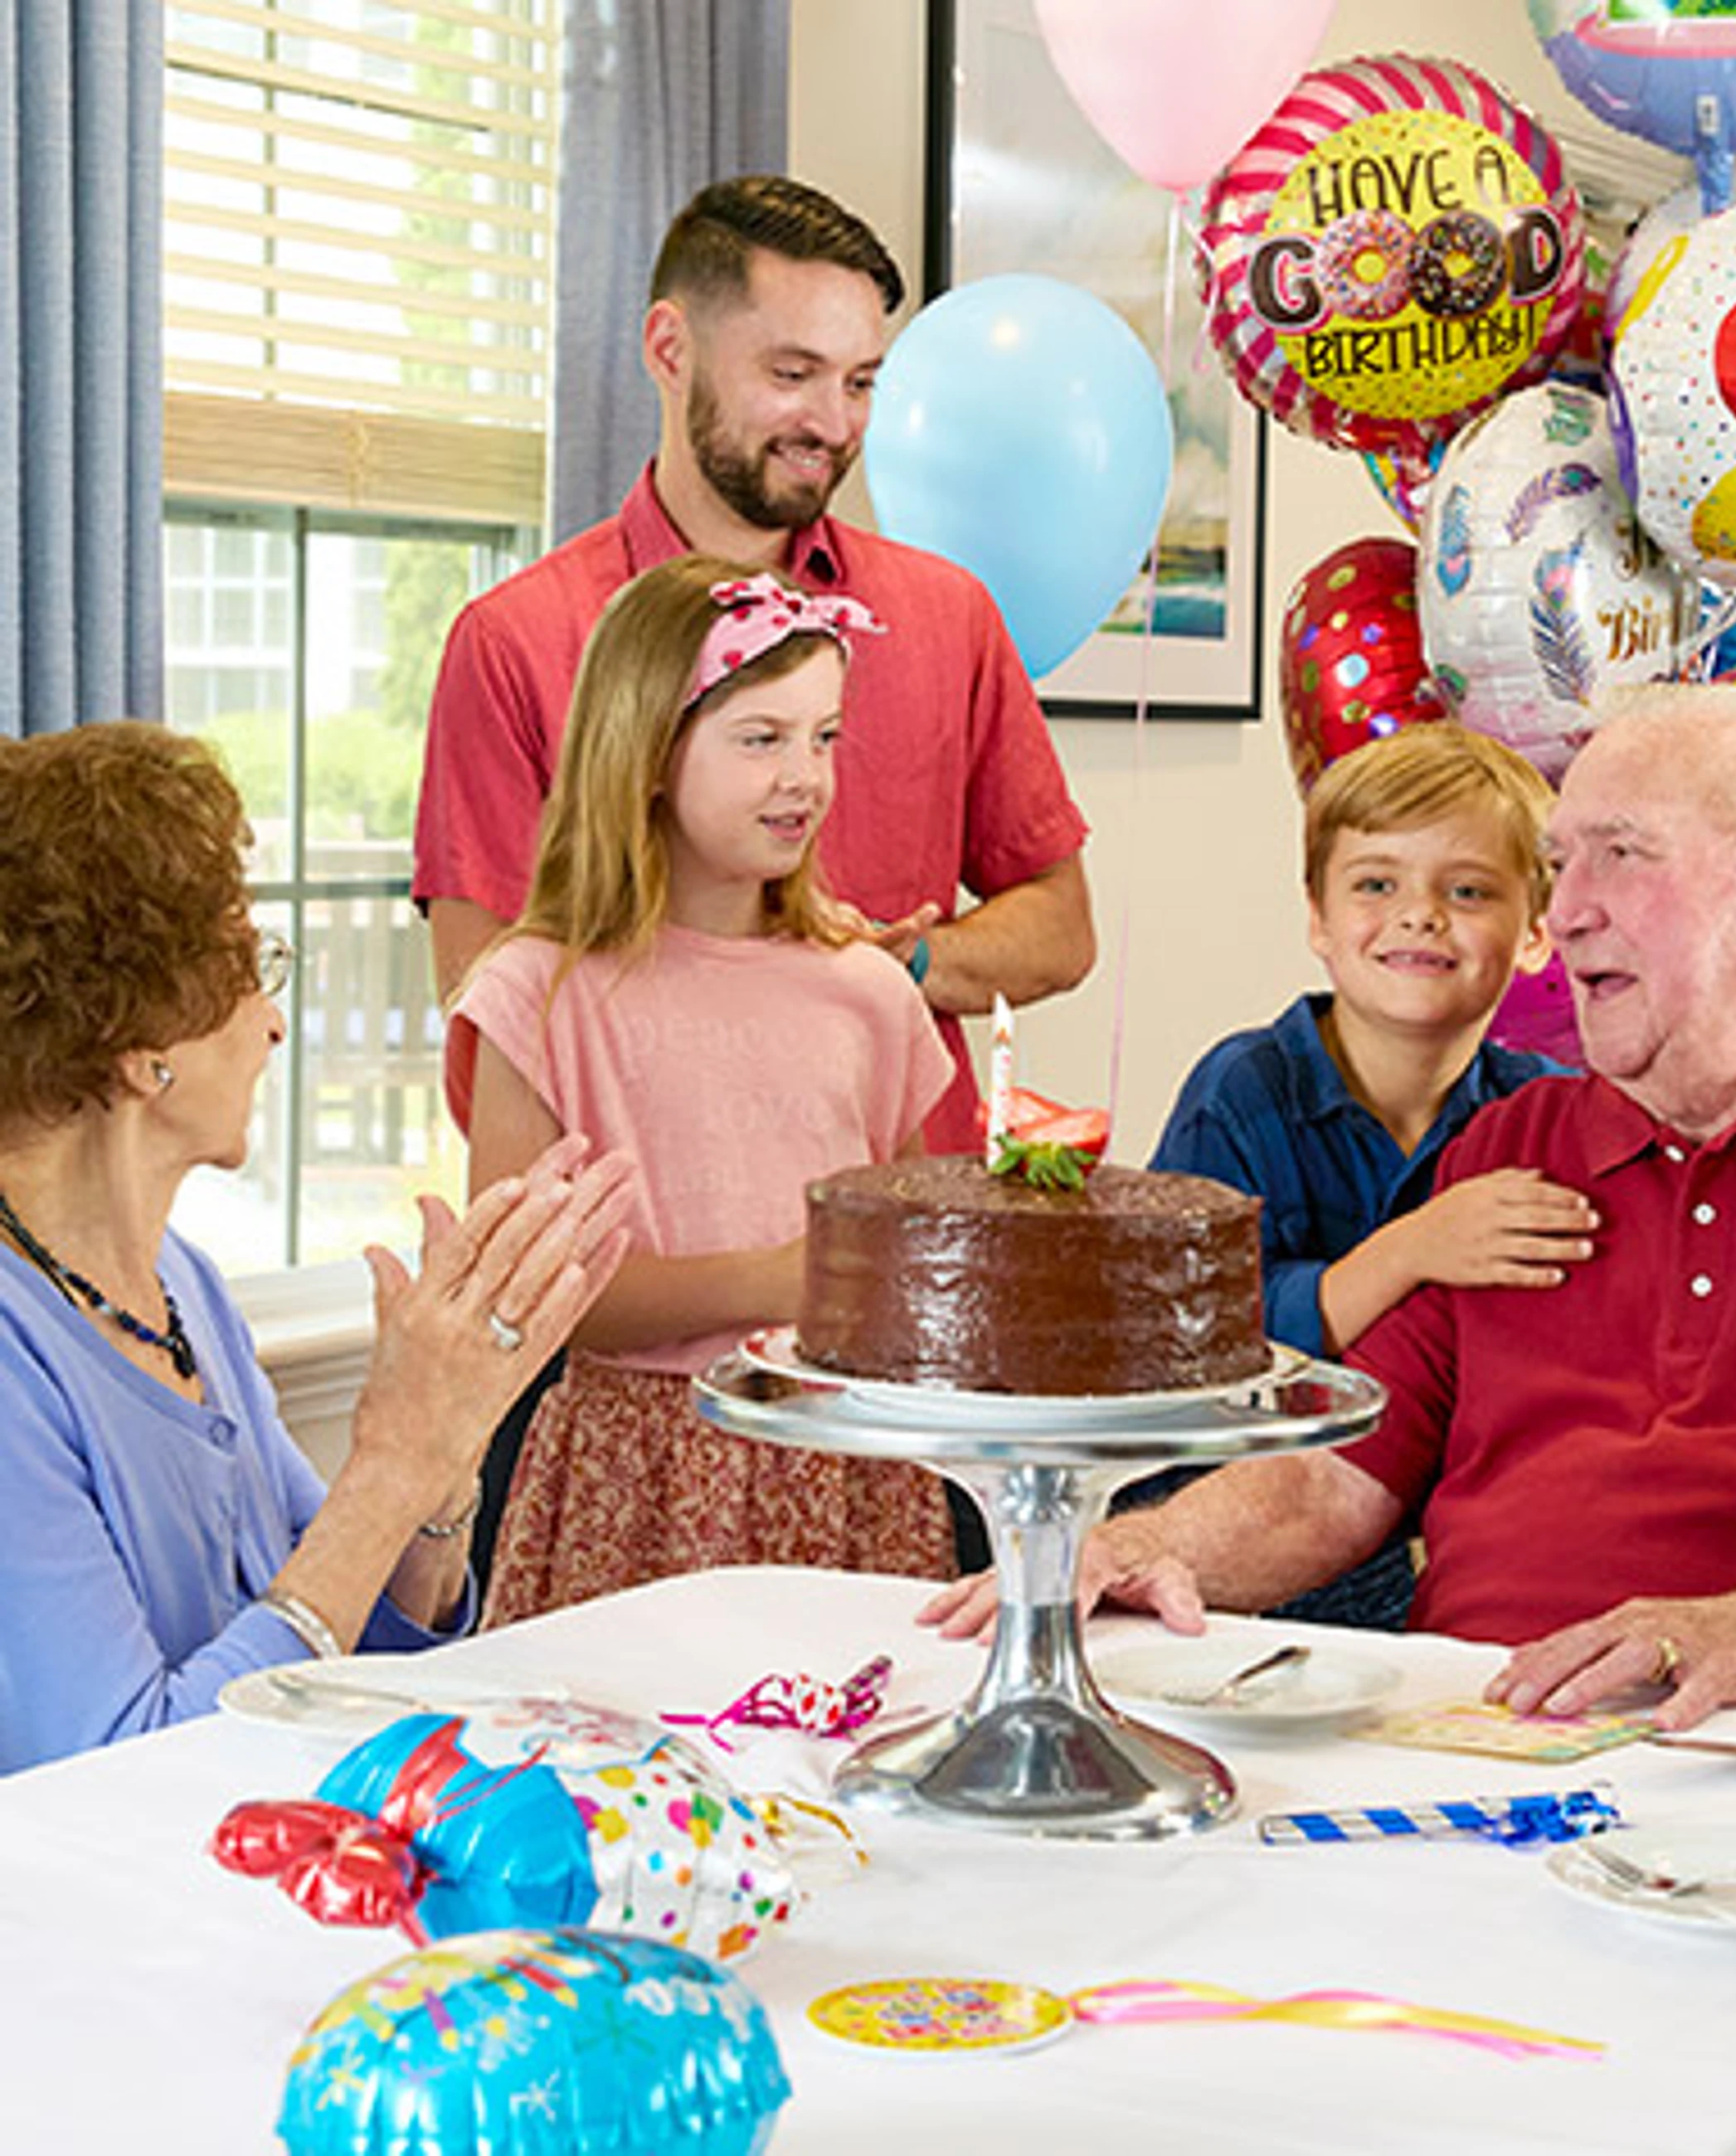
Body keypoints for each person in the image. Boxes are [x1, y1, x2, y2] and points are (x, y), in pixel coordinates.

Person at [931, 685, 1736, 1726]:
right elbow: (1332, 1481)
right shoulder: (1519, 1144)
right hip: (1467, 1727)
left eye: (1623, 855)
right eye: (1562, 866)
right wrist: (1145, 1547)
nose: (1563, 915)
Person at [416, 175, 1093, 1579]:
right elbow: (483, 1010)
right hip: (621, 1375)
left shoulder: (946, 617)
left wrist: (877, 968)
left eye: (860, 381)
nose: (833, 423)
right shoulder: (518, 639)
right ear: (671, 350)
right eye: (791, 372)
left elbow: (1057, 925)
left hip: (882, 1381)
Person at [0, 724, 630, 1772]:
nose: (274, 1026)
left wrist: (445, 1460)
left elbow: (361, 1645)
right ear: (142, 1052)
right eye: (253, 969)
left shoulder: (180, 1286)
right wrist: (390, 1465)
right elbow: (126, 1760)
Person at [450, 558, 960, 1623]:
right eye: (760, 738)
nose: (805, 778)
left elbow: (913, 1249)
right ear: (645, 751)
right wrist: (778, 1279)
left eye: (824, 736)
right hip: (632, 1481)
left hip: (849, 1465)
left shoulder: (867, 992)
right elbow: (522, 1299)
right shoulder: (537, 996)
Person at [1141, 725, 1597, 1629]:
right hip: (1225, 1524)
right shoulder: (1242, 1090)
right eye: (1376, 884)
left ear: (1537, 930)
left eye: (1467, 890)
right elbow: (1186, 1328)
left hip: (1437, 1531)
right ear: (1317, 916)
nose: (1420, 913)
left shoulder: (1547, 1113)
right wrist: (1414, 1252)